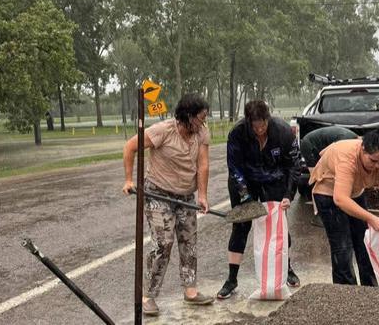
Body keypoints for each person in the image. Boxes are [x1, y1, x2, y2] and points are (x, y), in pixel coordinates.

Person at [122, 94, 214, 316]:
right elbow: (130, 146)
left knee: (189, 241)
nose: (203, 122)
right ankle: (148, 297)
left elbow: (203, 165)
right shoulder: (163, 131)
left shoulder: (201, 133)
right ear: (188, 116)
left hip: (185, 197)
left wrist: (202, 195)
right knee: (163, 242)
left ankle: (190, 292)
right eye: (201, 118)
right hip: (158, 195)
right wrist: (128, 179)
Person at [217, 100, 301, 299]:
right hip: (244, 181)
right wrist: (245, 197)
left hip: (274, 180)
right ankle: (231, 279)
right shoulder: (237, 133)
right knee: (241, 226)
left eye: (263, 124)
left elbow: (294, 166)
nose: (260, 130)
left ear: (268, 118)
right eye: (255, 127)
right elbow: (234, 168)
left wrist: (289, 195)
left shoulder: (284, 132)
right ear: (248, 122)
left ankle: (286, 268)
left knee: (278, 226)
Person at [309, 126, 379, 286]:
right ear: (363, 149)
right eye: (373, 161)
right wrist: (371, 218)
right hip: (328, 193)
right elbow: (340, 199)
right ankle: (346, 292)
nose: (377, 166)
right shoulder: (348, 159)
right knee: (342, 245)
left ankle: (370, 288)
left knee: (365, 241)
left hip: (354, 192)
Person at [300, 126, 359, 226]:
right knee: (318, 180)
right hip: (309, 146)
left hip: (321, 146)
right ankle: (319, 214)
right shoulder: (345, 143)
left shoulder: (354, 143)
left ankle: (337, 209)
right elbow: (325, 153)